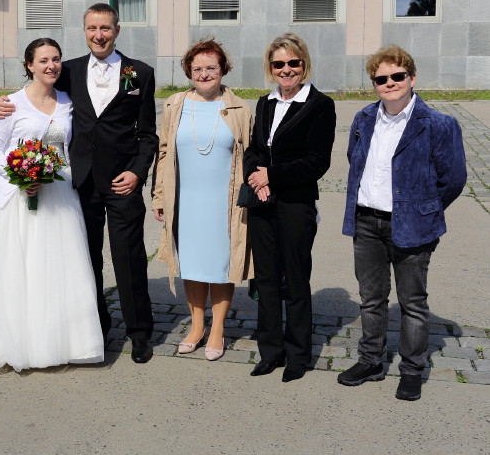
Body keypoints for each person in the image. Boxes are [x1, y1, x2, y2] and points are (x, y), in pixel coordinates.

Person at [0, 3, 158, 363]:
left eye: (105, 28)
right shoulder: (67, 71)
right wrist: (2, 104)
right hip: (78, 184)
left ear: (117, 30)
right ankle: (96, 326)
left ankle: (140, 332)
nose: (98, 35)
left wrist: (137, 172)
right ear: (83, 31)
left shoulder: (139, 73)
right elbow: (36, 90)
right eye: (91, 28)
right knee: (86, 260)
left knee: (129, 258)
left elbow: (148, 135)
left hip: (121, 183)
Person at [0, 38, 105, 371]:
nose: (51, 66)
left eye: (56, 59)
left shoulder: (69, 102)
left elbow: (71, 150)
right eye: (43, 60)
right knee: (21, 272)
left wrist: (53, 174)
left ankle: (67, 343)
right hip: (19, 198)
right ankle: (21, 343)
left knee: (59, 269)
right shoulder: (11, 104)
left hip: (59, 196)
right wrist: (19, 176)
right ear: (29, 65)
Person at [337, 45, 466, 401]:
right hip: (366, 221)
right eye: (381, 78)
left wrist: (425, 211)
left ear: (411, 78)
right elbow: (355, 162)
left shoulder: (438, 124)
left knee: (412, 302)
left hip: (411, 226)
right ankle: (371, 360)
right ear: (374, 84)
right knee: (371, 298)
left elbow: (453, 178)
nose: (390, 83)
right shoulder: (364, 119)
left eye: (397, 76)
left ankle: (411, 370)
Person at [151, 38, 252, 361]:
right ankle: (196, 326)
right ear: (188, 71)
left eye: (211, 67)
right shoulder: (175, 104)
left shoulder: (239, 107)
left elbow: (249, 155)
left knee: (222, 266)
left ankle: (219, 327)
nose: (204, 73)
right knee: (192, 266)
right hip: (186, 199)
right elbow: (164, 151)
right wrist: (159, 196)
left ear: (223, 69)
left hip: (225, 202)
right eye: (198, 68)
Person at [243, 33, 336, 382]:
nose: (286, 69)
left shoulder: (320, 105)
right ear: (270, 68)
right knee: (265, 279)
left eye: (293, 63)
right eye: (279, 64)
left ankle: (298, 356)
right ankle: (271, 352)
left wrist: (272, 176)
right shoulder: (264, 103)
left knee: (296, 280)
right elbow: (254, 148)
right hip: (262, 203)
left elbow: (317, 162)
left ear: (304, 64)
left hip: (296, 204)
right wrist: (254, 175)